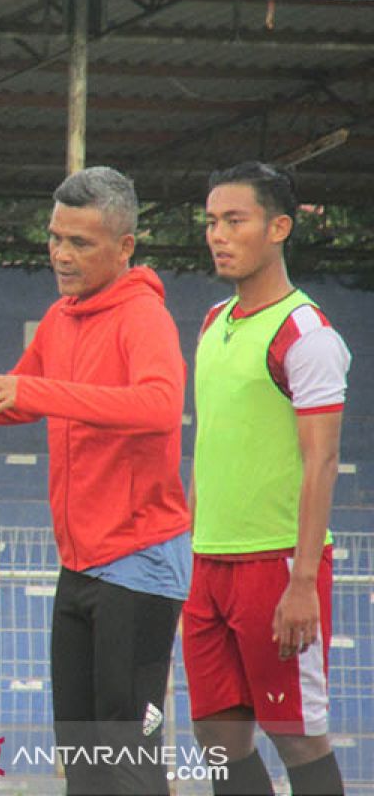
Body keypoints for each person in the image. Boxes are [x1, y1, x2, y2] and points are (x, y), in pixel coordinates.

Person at [0, 166, 190, 795]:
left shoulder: (143, 316)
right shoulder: (62, 315)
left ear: (125, 248)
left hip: (140, 558)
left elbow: (157, 406)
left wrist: (33, 389)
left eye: (80, 243)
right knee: (82, 750)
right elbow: (14, 400)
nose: (61, 255)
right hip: (82, 560)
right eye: (55, 238)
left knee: (127, 750)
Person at [184, 162, 350, 796]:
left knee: (296, 735)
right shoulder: (211, 323)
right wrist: (189, 551)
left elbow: (322, 462)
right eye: (210, 222)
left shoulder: (304, 334)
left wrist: (302, 580)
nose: (218, 235)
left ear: (278, 228)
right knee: (216, 738)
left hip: (276, 567)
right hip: (209, 566)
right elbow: (211, 443)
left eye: (235, 221)